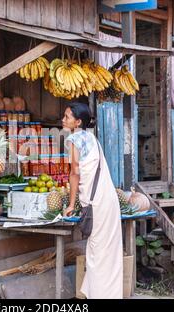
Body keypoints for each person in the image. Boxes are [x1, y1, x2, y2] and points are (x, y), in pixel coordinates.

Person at [62, 102, 123, 299]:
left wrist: (71, 205)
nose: (63, 120)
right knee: (109, 255)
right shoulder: (92, 138)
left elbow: (74, 174)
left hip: (97, 203)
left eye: (67, 117)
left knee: (97, 256)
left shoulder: (73, 139)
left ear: (78, 122)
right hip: (108, 200)